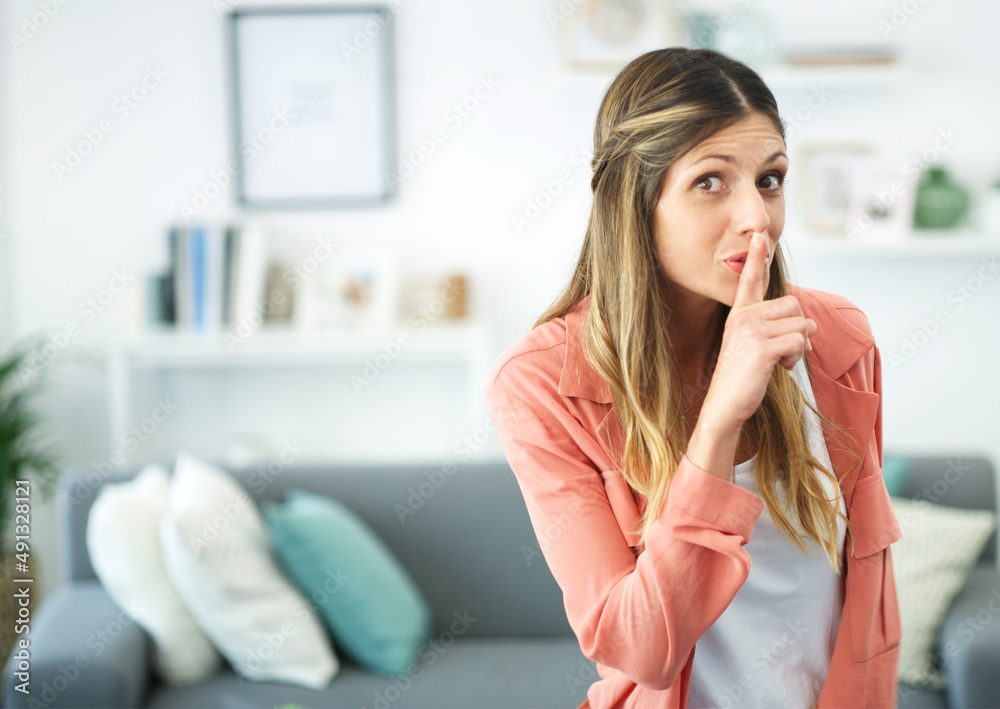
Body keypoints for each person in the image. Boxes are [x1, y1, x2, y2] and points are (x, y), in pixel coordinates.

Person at [483, 47, 902, 708]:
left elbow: (872, 612)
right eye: (711, 181)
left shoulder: (838, 341)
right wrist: (717, 423)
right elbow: (640, 649)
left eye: (770, 178)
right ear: (634, 198)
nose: (757, 218)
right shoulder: (538, 383)